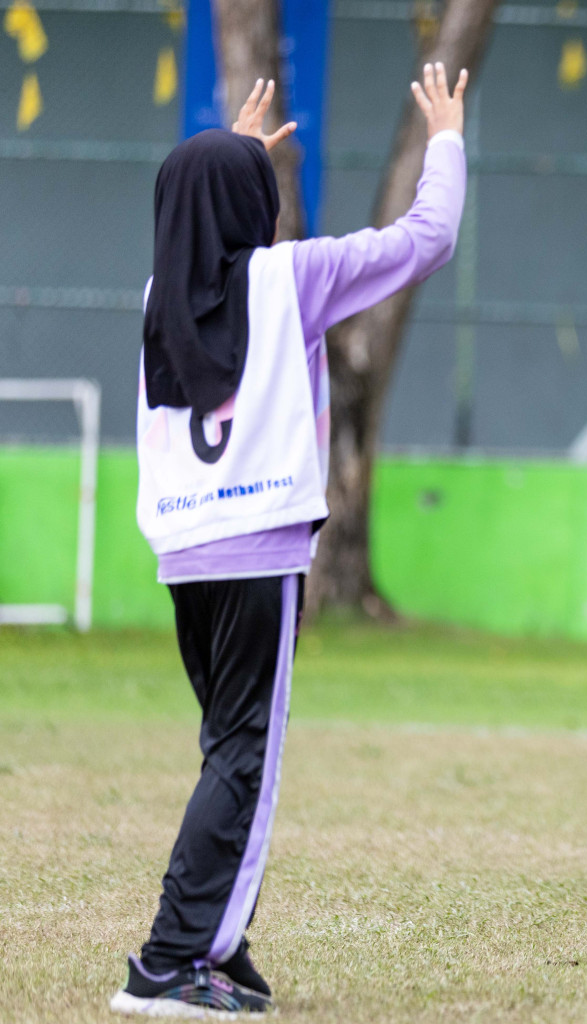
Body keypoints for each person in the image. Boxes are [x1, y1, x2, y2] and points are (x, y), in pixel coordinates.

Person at [114, 67, 469, 1017]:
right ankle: (169, 959)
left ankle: (216, 944)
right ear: (249, 209)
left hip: (186, 555)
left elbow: (206, 226)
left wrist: (227, 163)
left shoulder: (158, 297)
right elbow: (425, 238)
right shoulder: (290, 277)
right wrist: (445, 137)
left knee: (226, 746)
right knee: (243, 755)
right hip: (258, 552)